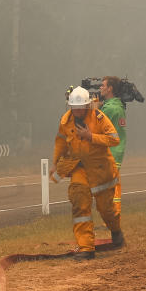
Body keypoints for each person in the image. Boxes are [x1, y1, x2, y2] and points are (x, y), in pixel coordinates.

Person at [50, 86, 124, 260]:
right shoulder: (65, 121)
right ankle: (86, 248)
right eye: (73, 108)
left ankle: (116, 231)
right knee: (79, 202)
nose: (76, 111)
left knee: (106, 209)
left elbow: (114, 139)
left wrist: (91, 136)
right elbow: (60, 142)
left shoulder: (99, 118)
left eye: (80, 107)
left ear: (88, 106)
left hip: (100, 170)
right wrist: (55, 162)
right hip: (79, 168)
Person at [99, 76, 127, 215]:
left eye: (103, 85)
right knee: (111, 189)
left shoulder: (109, 109)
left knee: (109, 189)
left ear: (110, 88)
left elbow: (95, 126)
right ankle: (112, 218)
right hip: (116, 152)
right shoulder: (118, 106)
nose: (100, 88)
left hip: (109, 153)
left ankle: (112, 219)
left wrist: (91, 109)